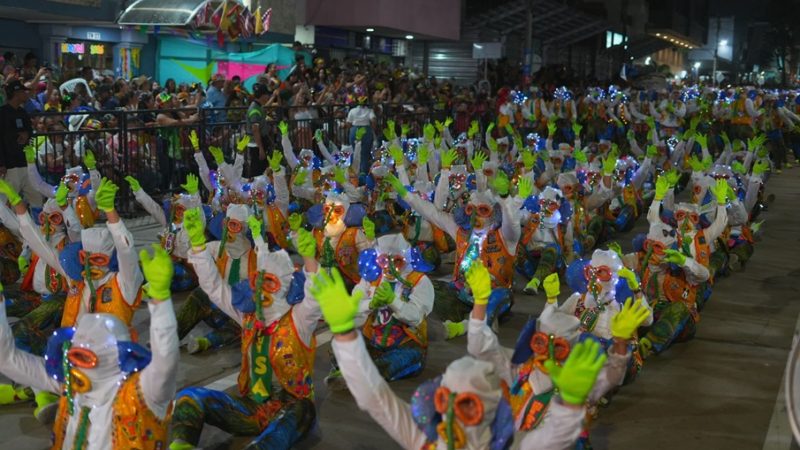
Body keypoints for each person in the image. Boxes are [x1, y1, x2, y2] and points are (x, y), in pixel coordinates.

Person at [0, 80, 42, 206]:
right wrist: (1, 163)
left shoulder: (23, 112)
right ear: (17, 93)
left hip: (26, 164)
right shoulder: (2, 113)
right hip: (10, 166)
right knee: (9, 202)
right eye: (23, 91)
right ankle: (10, 226)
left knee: (37, 198)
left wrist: (26, 134)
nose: (26, 94)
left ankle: (39, 223)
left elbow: (29, 132)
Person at [346, 96, 376, 177]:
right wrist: (372, 130)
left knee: (355, 151)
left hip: (354, 130)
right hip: (366, 130)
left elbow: (348, 123)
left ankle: (354, 173)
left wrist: (352, 130)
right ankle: (363, 173)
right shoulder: (369, 110)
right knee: (365, 153)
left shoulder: (352, 111)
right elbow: (373, 120)